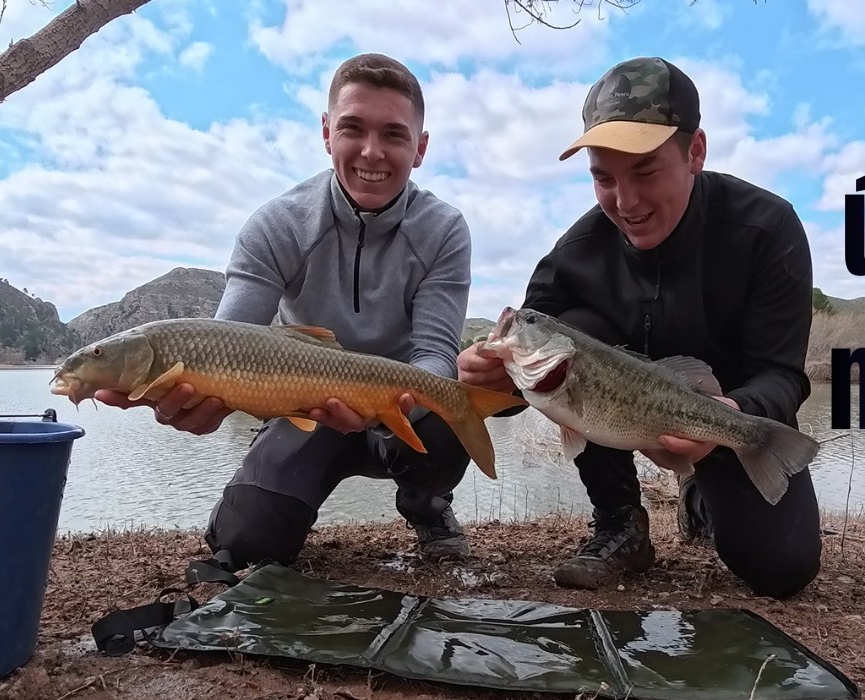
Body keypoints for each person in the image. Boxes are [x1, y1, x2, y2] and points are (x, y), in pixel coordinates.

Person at [458, 56, 822, 599]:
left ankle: (701, 491)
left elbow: (781, 375)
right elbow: (529, 380)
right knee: (566, 334)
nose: (625, 203)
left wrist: (732, 420)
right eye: (603, 177)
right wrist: (491, 381)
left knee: (782, 568)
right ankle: (621, 523)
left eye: (646, 171)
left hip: (721, 416)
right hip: (616, 405)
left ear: (695, 151)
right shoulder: (573, 258)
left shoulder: (766, 230)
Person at [94, 52, 477, 568]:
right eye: (352, 129)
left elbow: (433, 352)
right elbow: (227, 341)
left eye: (394, 134)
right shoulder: (277, 224)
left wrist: (400, 398)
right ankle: (253, 505)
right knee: (248, 543)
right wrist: (201, 397)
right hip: (305, 408)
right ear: (325, 132)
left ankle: (426, 505)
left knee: (448, 412)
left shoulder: (444, 229)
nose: (372, 151)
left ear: (421, 147)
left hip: (400, 413)